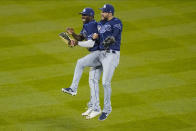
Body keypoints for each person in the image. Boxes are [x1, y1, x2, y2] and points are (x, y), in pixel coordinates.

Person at [61, 8, 102, 119]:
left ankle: (73, 89)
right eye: (82, 15)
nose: (82, 16)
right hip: (99, 55)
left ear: (91, 16)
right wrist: (73, 34)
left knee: (80, 63)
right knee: (92, 81)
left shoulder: (92, 25)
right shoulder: (88, 25)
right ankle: (95, 107)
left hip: (99, 54)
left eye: (85, 15)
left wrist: (77, 43)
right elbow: (81, 37)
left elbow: (90, 44)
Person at [94, 4, 123, 120]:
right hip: (101, 53)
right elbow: (94, 37)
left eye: (104, 12)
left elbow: (114, 36)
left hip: (112, 54)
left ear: (110, 13)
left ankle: (107, 109)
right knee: (92, 78)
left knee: (105, 82)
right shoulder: (100, 23)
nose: (101, 13)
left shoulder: (117, 22)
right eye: (102, 11)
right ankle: (94, 105)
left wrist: (108, 41)